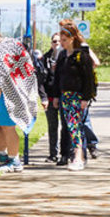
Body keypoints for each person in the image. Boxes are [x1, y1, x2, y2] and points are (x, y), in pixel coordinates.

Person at [0, 27, 39, 172]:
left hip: (9, 94)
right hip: (19, 87)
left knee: (7, 126)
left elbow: (1, 78)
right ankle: (2, 155)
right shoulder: (13, 43)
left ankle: (14, 161)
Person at [54, 20, 97, 170]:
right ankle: (78, 157)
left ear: (72, 39)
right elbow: (58, 77)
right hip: (65, 96)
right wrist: (56, 96)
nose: (62, 43)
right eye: (61, 41)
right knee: (70, 126)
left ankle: (78, 157)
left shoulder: (81, 56)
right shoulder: (62, 56)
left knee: (75, 126)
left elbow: (88, 79)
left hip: (77, 97)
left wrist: (86, 98)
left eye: (64, 40)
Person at [37, 33, 63, 162]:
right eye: (54, 41)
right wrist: (43, 98)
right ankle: (53, 154)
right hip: (50, 98)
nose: (56, 43)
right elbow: (40, 81)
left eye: (59, 41)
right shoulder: (44, 59)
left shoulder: (67, 57)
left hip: (64, 98)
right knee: (52, 127)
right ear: (51, 43)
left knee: (67, 127)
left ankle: (66, 154)